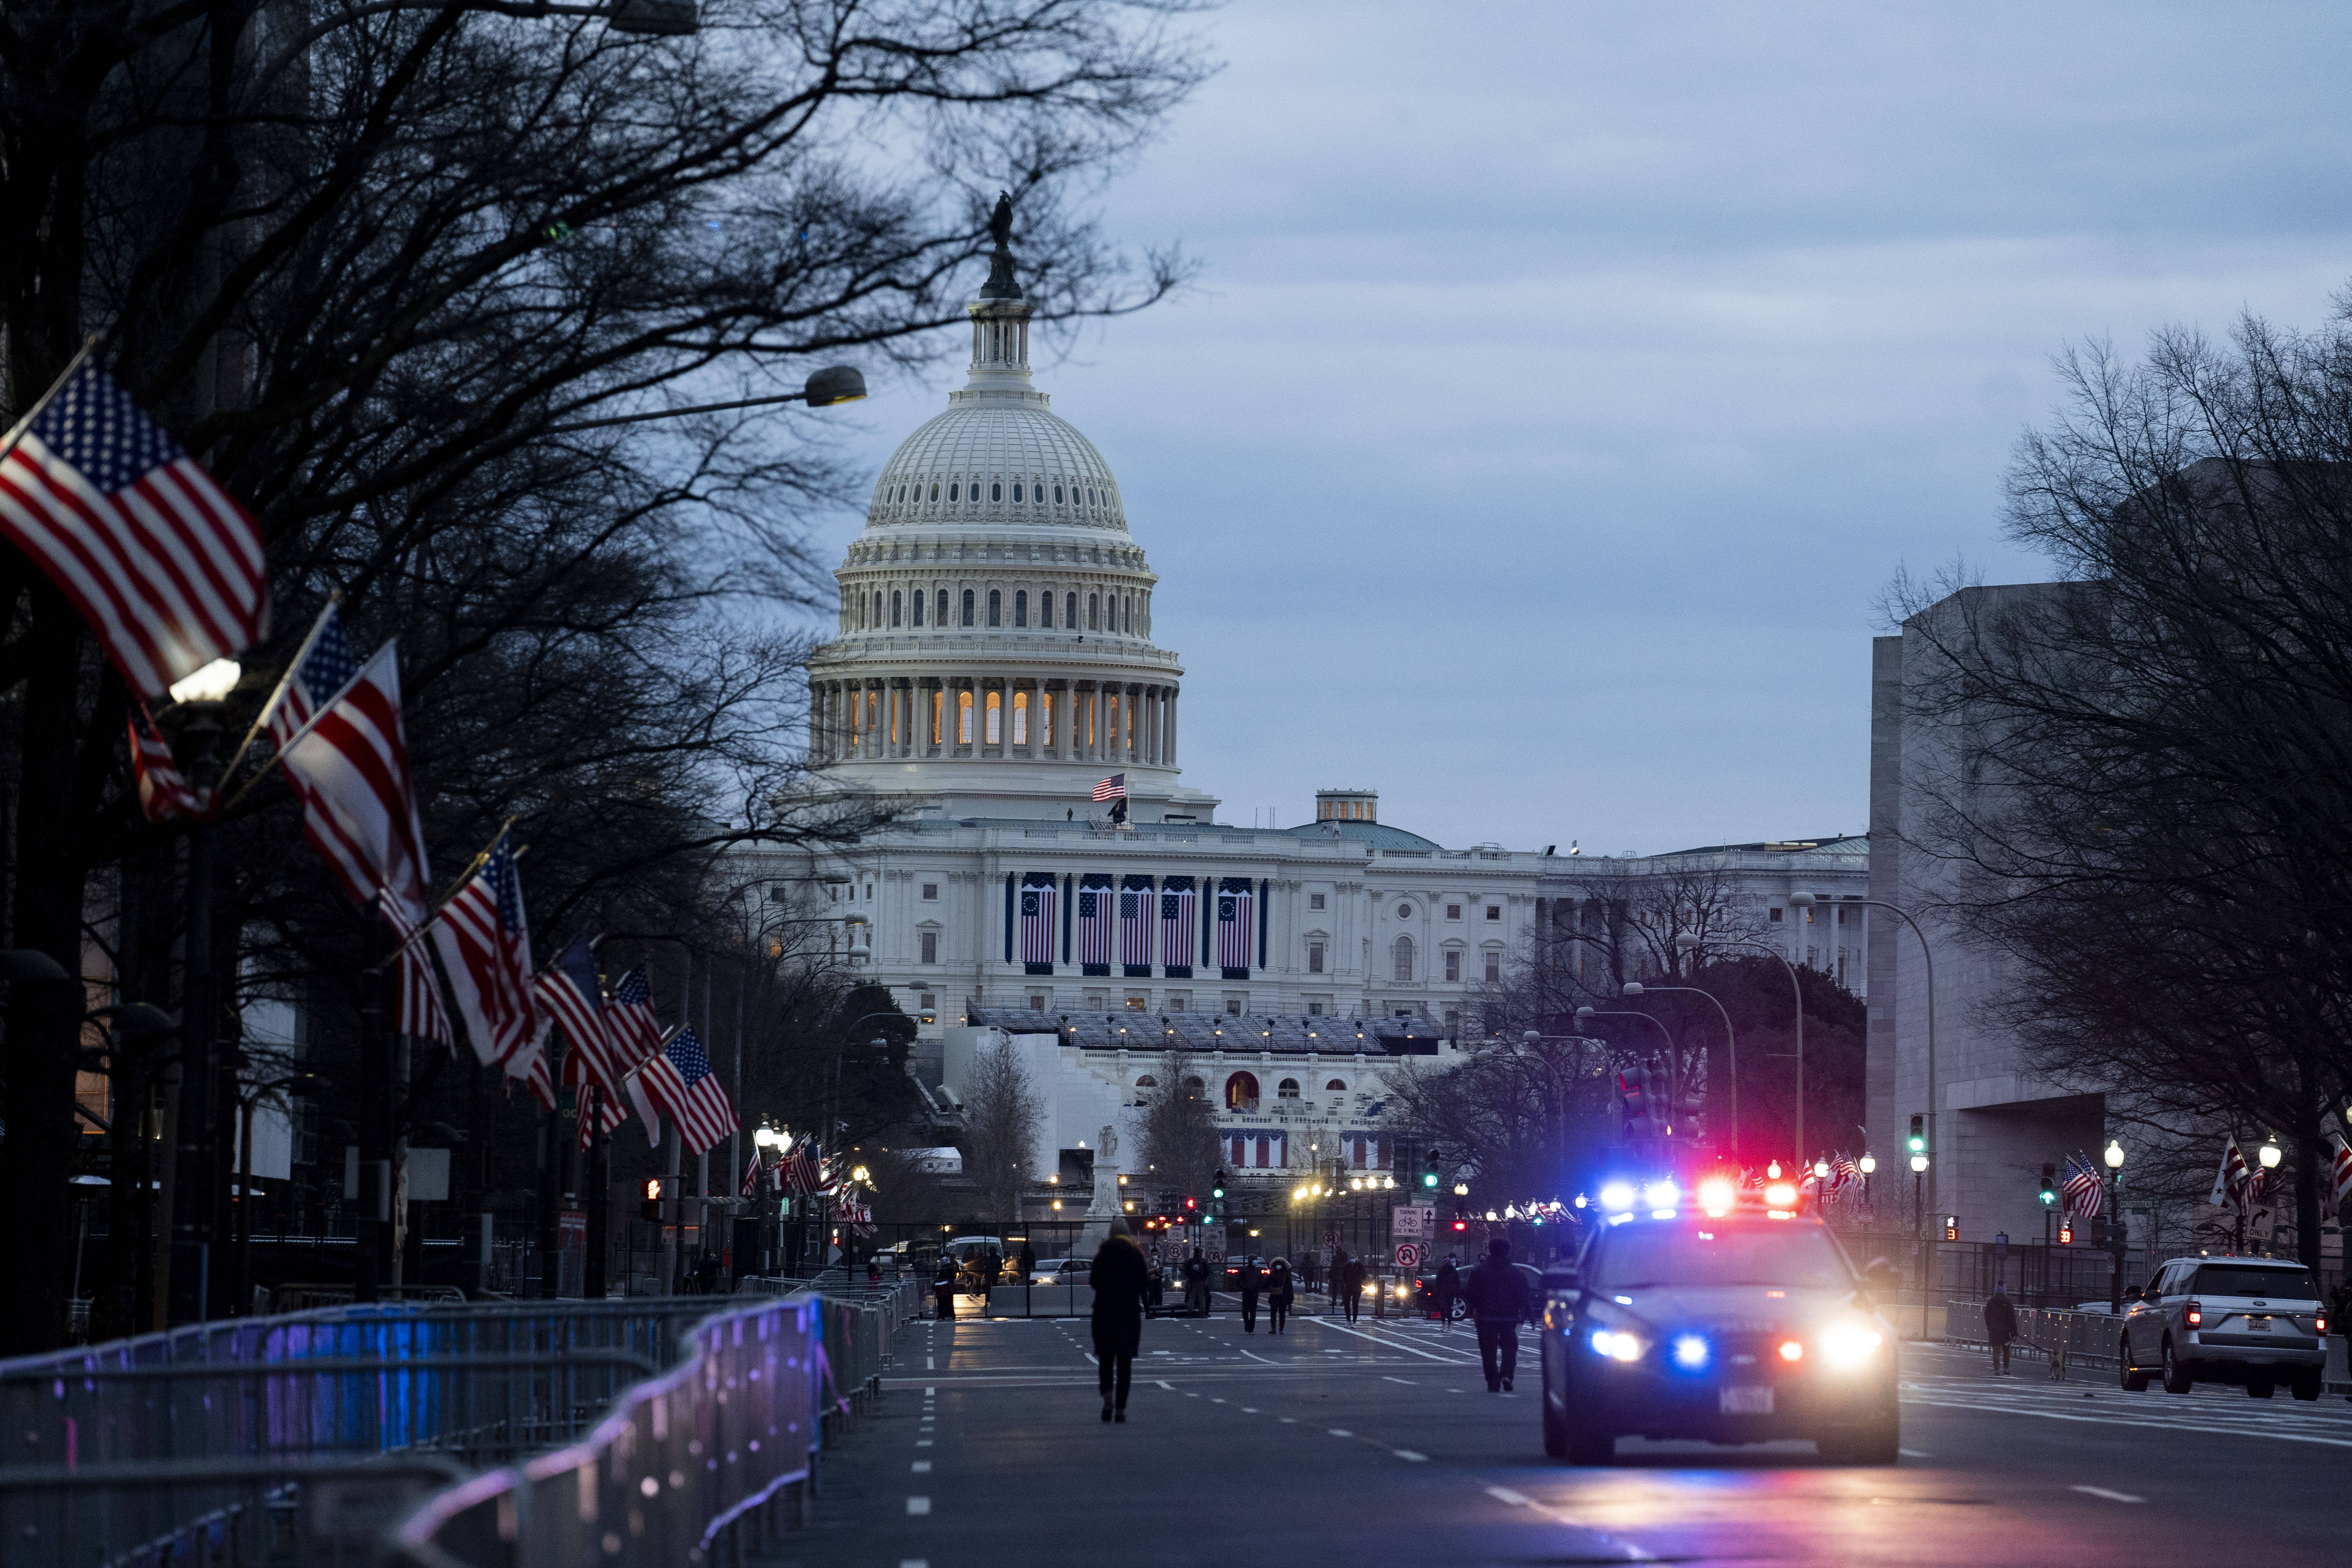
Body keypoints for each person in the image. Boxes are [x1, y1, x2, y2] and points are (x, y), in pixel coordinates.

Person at [1091, 1219, 1150, 1423]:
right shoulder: (1135, 1255)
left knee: (1106, 1360)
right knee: (1125, 1363)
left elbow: (1094, 1282)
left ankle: (1107, 1397)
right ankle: (1121, 1408)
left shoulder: (1103, 1254)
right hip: (1128, 1314)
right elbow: (1144, 1282)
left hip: (1105, 1313)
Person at [1463, 1236, 1532, 1392]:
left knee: (1488, 1351)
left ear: (1490, 1251)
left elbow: (1470, 1293)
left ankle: (1493, 1381)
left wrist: (1478, 1306)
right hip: (1509, 1316)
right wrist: (1520, 1311)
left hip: (1486, 1316)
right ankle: (1507, 1374)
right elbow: (1524, 1294)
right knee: (1510, 1347)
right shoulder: (1516, 1273)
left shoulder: (1479, 1272)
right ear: (1508, 1252)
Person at [1984, 1286, 2017, 1374]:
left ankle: (1997, 1370)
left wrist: (1990, 1325)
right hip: (2006, 1330)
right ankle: (2006, 1369)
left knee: (1996, 1350)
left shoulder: (1991, 1302)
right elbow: (2012, 1318)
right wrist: (2015, 1330)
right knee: (2006, 1350)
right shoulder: (2008, 1302)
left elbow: (1986, 1315)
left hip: (1994, 1329)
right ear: (2004, 1290)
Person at [1434, 1256, 1462, 1331]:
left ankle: (1448, 1324)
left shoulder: (1453, 1271)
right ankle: (1444, 1324)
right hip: (1444, 1292)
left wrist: (1457, 1292)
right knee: (1444, 1308)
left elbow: (1457, 1282)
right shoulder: (1442, 1271)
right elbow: (1438, 1282)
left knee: (1449, 1308)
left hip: (1450, 1292)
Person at [1267, 1256, 1294, 1334]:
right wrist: (1291, 1297)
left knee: (1274, 1313)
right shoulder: (1287, 1275)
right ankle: (1281, 1329)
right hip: (1283, 1296)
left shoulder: (1272, 1274)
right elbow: (1290, 1286)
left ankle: (1274, 1329)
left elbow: (1267, 1284)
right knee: (1282, 1314)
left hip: (1274, 1296)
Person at [1182, 1247, 1210, 1315]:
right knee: (1202, 1297)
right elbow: (1207, 1272)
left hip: (1192, 1282)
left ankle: (1190, 1312)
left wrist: (1190, 1277)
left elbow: (1186, 1271)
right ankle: (1203, 1312)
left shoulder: (1191, 1261)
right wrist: (1203, 1278)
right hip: (1201, 1281)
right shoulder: (1203, 1261)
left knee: (1192, 1298)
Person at [1239, 1255, 1264, 1331]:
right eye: (1255, 1260)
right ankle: (1247, 1323)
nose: (1256, 1261)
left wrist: (1257, 1287)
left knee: (1253, 1311)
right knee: (1245, 1310)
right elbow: (1239, 1281)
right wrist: (1245, 1287)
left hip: (1254, 1292)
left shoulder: (1258, 1270)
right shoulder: (1244, 1270)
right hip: (1246, 1292)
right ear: (1251, 1261)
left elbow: (1262, 1281)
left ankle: (1251, 1327)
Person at [1340, 1252, 1367, 1324]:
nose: (1352, 1259)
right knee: (1347, 1304)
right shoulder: (1347, 1266)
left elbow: (1364, 1275)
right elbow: (1344, 1275)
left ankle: (1354, 1321)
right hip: (1349, 1287)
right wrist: (1346, 1282)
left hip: (1357, 1287)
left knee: (1355, 1304)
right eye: (1351, 1258)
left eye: (1354, 1258)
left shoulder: (1360, 1266)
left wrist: (1360, 1281)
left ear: (1357, 1258)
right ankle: (1348, 1320)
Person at [933, 1256, 958, 1321]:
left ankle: (943, 1315)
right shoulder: (952, 1269)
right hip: (950, 1287)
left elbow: (940, 1279)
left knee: (942, 1303)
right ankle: (951, 1315)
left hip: (943, 1288)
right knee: (950, 1302)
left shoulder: (943, 1271)